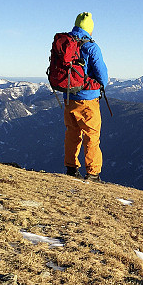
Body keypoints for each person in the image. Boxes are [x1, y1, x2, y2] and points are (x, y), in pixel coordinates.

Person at [63, 12, 108, 182]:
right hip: (88, 99)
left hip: (68, 97)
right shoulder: (91, 47)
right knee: (91, 135)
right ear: (89, 29)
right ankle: (93, 173)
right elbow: (103, 77)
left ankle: (71, 168)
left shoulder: (66, 44)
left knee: (72, 134)